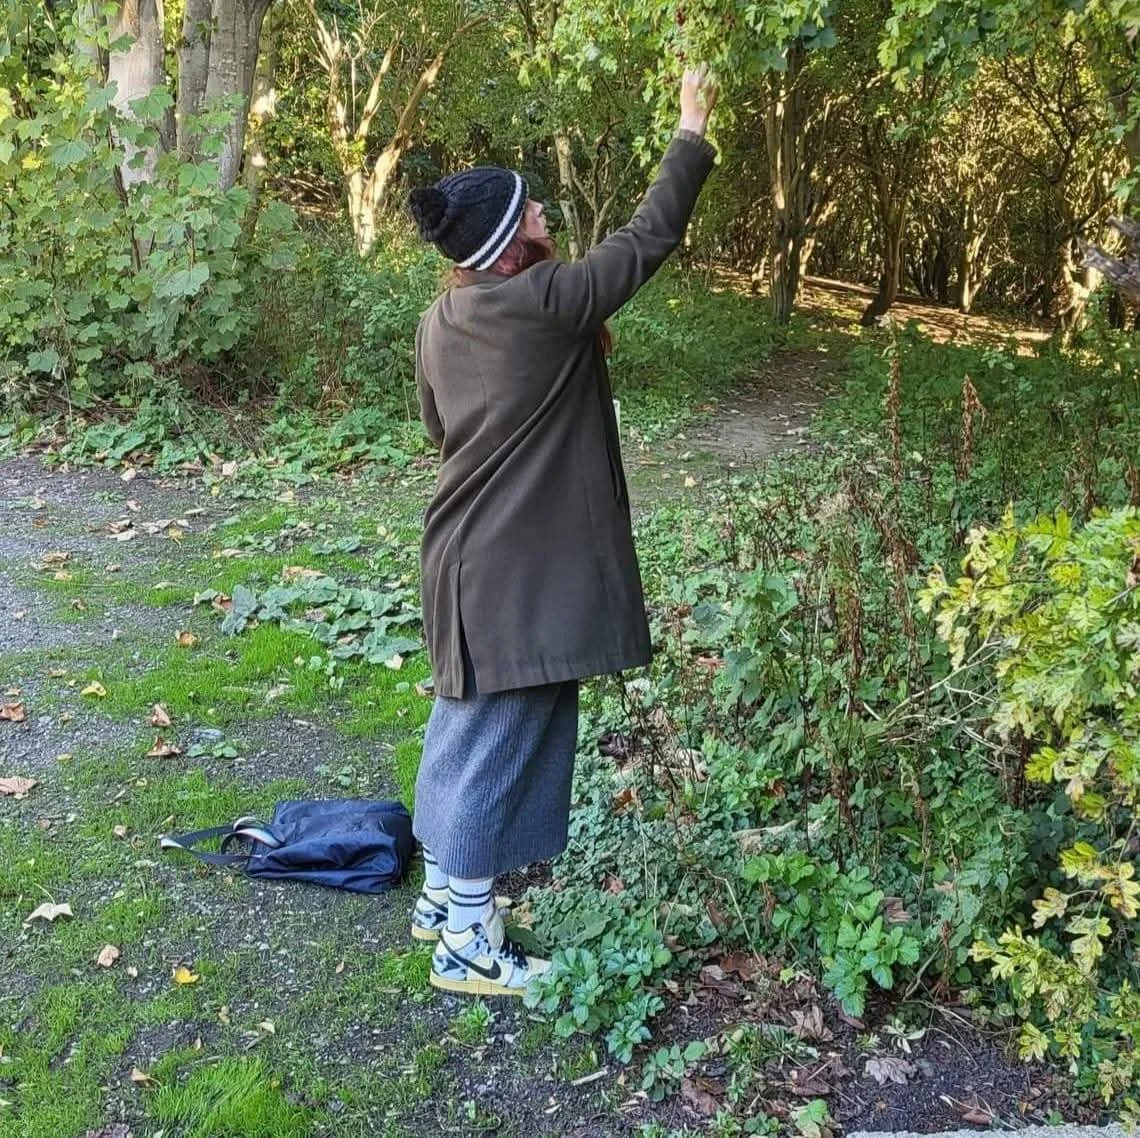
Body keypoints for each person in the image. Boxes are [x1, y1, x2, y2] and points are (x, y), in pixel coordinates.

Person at [405, 65, 720, 997]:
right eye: (534, 213)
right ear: (509, 247)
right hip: (514, 569)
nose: (547, 215)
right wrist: (690, 131)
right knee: (503, 731)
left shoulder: (441, 317)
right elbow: (649, 236)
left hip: (465, 556)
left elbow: (439, 429)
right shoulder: (541, 305)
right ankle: (465, 938)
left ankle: (446, 894)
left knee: (466, 721)